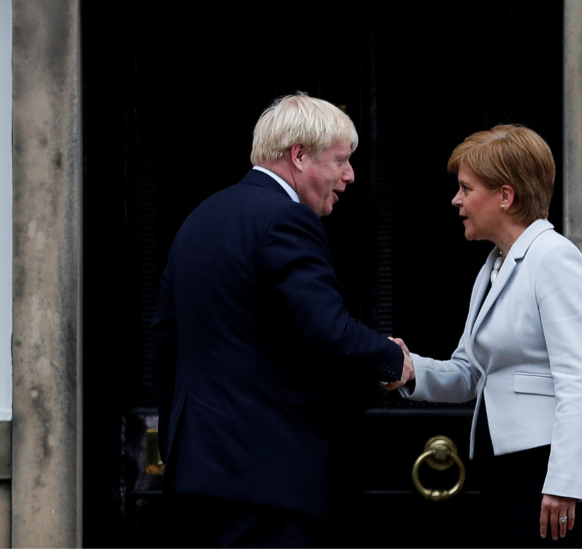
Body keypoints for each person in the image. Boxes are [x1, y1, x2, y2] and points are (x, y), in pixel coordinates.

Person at [150, 93, 414, 548]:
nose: (349, 176)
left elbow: (164, 345)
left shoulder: (199, 218)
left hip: (194, 472)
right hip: (264, 475)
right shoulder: (286, 220)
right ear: (299, 156)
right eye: (341, 161)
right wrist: (395, 359)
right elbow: (328, 330)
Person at [397, 125, 582, 547]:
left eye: (465, 188)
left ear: (505, 196)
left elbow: (580, 377)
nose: (456, 200)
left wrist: (564, 481)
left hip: (553, 464)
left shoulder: (554, 258)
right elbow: (469, 373)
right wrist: (409, 371)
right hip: (507, 462)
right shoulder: (495, 267)